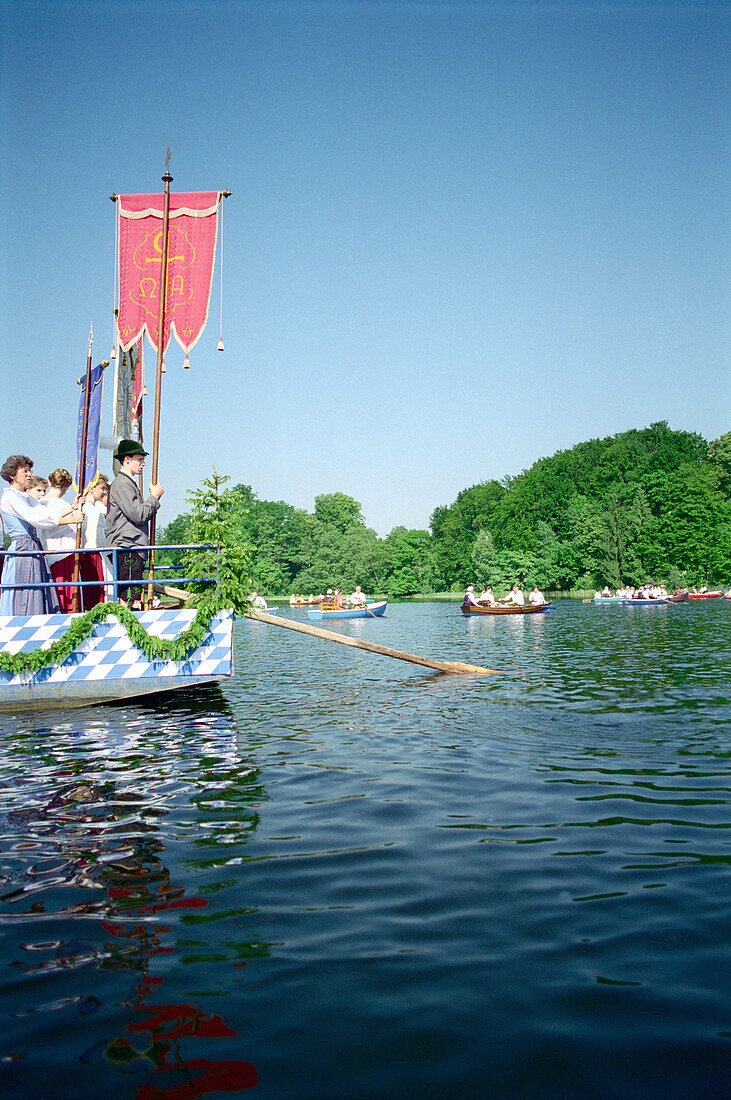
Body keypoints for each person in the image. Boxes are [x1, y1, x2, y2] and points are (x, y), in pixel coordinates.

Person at [0, 454, 69, 616]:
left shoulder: (25, 497)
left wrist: (72, 507)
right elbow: (36, 518)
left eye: (30, 471)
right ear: (12, 475)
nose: (29, 474)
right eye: (25, 471)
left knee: (38, 585)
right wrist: (66, 520)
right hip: (23, 547)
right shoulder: (9, 497)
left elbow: (45, 512)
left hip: (33, 545)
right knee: (26, 589)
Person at [106, 440, 164, 607]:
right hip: (127, 547)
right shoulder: (123, 483)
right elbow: (138, 514)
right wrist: (154, 497)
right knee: (128, 597)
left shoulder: (127, 483)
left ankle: (125, 625)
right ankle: (124, 628)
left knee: (130, 593)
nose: (143, 464)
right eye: (139, 459)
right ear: (127, 460)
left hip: (130, 546)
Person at [41, 468, 85, 612]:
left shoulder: (41, 504)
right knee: (66, 594)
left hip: (50, 552)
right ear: (66, 487)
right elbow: (51, 522)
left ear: (49, 483)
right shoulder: (56, 505)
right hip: (62, 553)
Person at [81, 474, 110, 607]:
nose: (104, 492)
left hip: (98, 552)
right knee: (95, 592)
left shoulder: (94, 508)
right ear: (92, 488)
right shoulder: (87, 509)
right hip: (91, 553)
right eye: (102, 488)